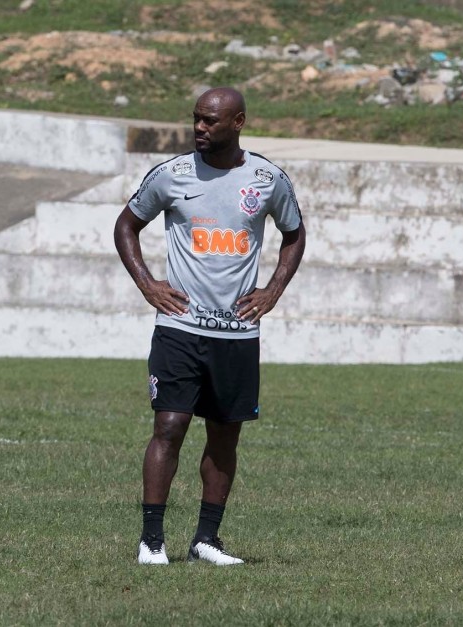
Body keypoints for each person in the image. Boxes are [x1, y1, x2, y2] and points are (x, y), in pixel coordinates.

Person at [114, 87, 305, 566]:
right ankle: (151, 540)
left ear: (237, 122)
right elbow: (126, 225)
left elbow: (294, 234)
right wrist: (148, 284)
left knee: (225, 436)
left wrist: (273, 290)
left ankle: (206, 540)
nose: (199, 128)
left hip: (237, 333)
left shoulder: (267, 179)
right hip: (180, 328)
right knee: (170, 425)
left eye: (210, 121)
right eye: (196, 119)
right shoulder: (171, 175)